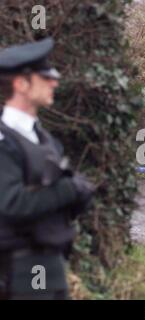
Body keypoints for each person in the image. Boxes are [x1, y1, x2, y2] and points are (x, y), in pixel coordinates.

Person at [0, 37, 95, 300]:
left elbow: (51, 196)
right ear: (21, 84)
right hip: (23, 268)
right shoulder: (4, 141)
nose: (54, 81)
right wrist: (68, 189)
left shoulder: (43, 138)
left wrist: (79, 196)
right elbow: (12, 203)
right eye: (46, 76)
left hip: (50, 261)